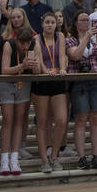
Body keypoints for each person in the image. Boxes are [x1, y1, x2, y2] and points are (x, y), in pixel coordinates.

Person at [65, 9, 97, 171]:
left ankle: (95, 155)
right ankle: (82, 156)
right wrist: (86, 38)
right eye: (82, 20)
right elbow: (75, 56)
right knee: (81, 119)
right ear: (76, 23)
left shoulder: (94, 39)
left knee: (96, 118)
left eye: (87, 20)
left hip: (96, 78)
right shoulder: (70, 40)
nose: (85, 23)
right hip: (79, 81)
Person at [0, 15, 35, 176]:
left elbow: (37, 70)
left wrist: (35, 66)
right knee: (8, 120)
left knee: (19, 120)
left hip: (23, 83)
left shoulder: (32, 46)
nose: (25, 46)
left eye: (27, 42)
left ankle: (14, 157)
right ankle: (4, 157)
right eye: (22, 42)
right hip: (6, 83)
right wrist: (22, 65)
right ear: (16, 40)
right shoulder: (9, 45)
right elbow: (4, 70)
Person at [31, 12, 69, 173]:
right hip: (42, 80)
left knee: (61, 119)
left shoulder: (60, 36)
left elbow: (62, 56)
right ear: (42, 24)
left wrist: (62, 69)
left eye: (52, 22)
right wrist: (47, 71)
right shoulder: (36, 39)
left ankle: (54, 155)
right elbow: (39, 59)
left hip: (57, 80)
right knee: (42, 121)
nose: (50, 25)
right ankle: (44, 160)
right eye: (47, 22)